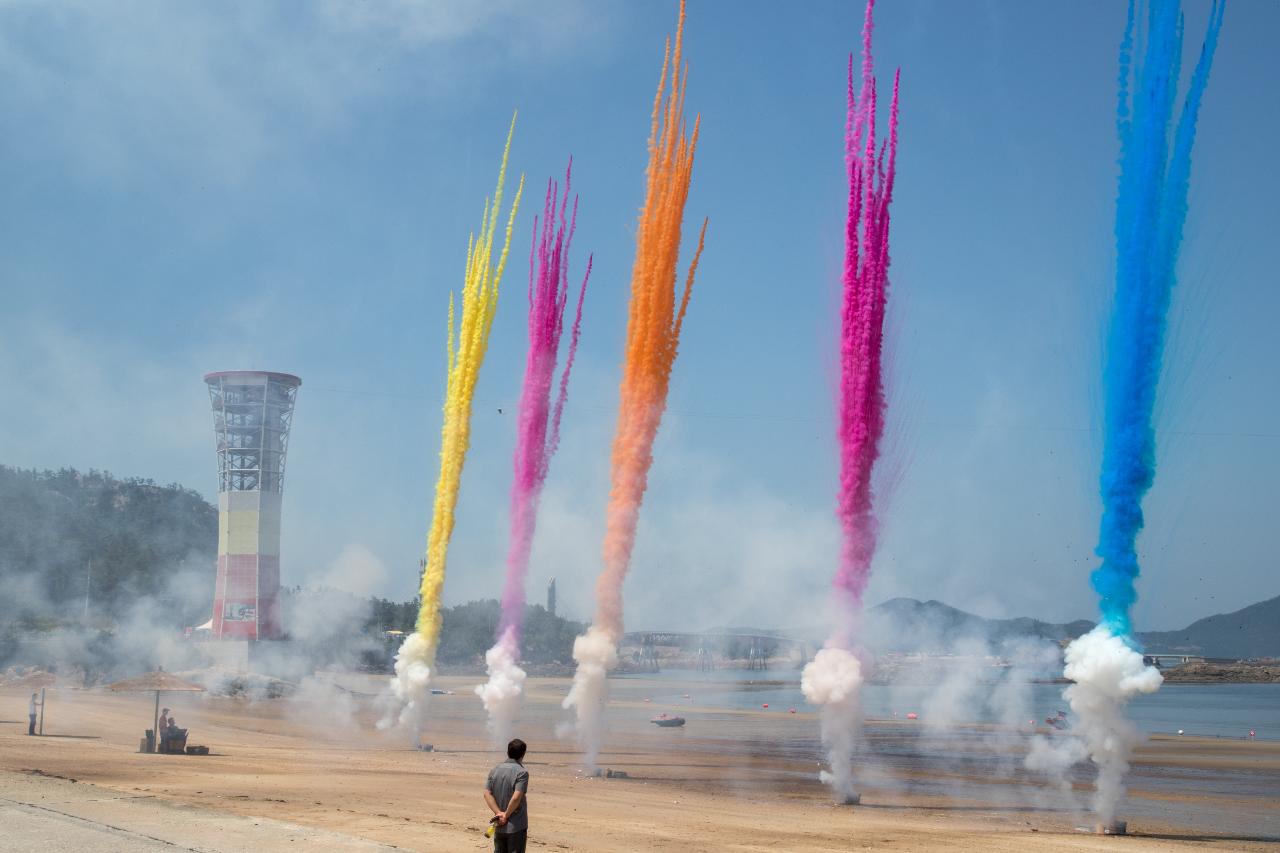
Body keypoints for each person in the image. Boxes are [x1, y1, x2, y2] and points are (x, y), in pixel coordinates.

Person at [483, 738, 529, 853]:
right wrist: (506, 815)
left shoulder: (495, 770)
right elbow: (516, 797)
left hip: (499, 825)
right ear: (523, 754)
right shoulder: (522, 773)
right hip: (516, 825)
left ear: (508, 752)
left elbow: (486, 793)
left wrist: (499, 813)